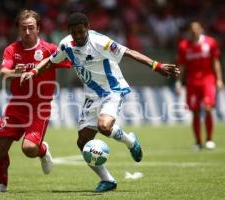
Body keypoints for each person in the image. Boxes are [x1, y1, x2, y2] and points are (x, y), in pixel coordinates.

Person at [20, 12, 179, 192]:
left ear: (87, 28)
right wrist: (33, 72)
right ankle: (108, 180)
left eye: (82, 31)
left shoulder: (100, 42)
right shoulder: (65, 45)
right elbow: (51, 60)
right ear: (70, 32)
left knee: (104, 126)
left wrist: (156, 66)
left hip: (112, 90)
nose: (79, 36)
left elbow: (129, 52)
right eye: (75, 33)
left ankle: (130, 142)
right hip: (92, 96)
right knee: (82, 143)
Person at [0, 9, 70, 193]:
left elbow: (72, 62)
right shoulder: (12, 50)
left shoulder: (50, 50)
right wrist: (17, 71)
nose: (27, 32)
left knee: (29, 149)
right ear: (18, 29)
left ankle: (42, 150)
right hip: (17, 105)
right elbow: (3, 73)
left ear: (38, 28)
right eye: (23, 28)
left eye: (31, 28)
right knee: (0, 148)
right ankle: (1, 183)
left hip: (40, 107)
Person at [176, 20, 224, 150]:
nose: (194, 31)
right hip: (192, 82)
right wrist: (179, 82)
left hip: (208, 80)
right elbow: (182, 65)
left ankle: (209, 139)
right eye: (191, 29)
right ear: (189, 31)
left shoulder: (210, 42)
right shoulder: (184, 46)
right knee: (195, 111)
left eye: (196, 28)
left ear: (201, 29)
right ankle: (198, 142)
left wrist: (219, 79)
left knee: (208, 108)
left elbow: (215, 62)